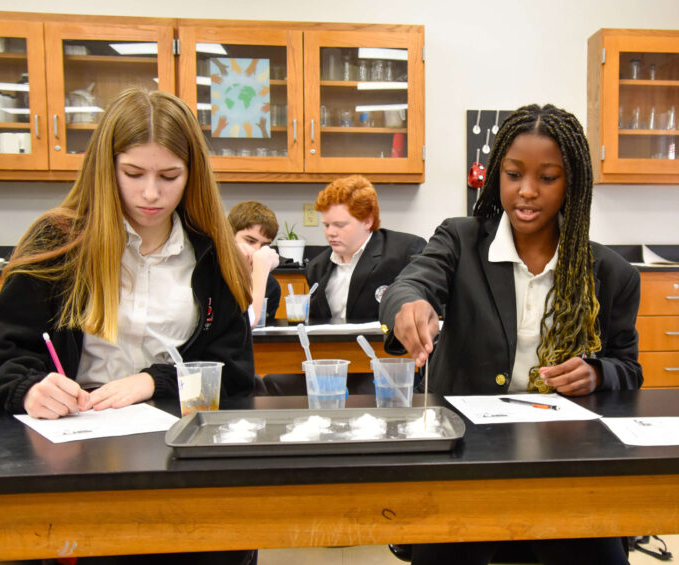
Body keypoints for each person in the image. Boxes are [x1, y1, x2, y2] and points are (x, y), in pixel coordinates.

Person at [380, 104, 641, 564]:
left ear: (572, 184)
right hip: (466, 459)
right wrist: (408, 305)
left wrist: (598, 374)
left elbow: (628, 368)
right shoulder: (460, 241)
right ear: (495, 175)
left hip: (566, 462)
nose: (526, 192)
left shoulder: (609, 273)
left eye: (547, 178)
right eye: (514, 174)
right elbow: (412, 283)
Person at [0, 88, 256, 422]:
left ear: (192, 174)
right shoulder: (57, 243)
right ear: (107, 168)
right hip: (75, 435)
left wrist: (154, 380)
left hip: (176, 434)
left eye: (169, 176)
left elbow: (235, 377)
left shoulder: (212, 254)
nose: (151, 193)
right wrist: (29, 388)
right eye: (133, 174)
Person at [305, 174, 426, 323]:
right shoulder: (317, 267)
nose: (330, 232)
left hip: (383, 344)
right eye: (326, 225)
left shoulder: (404, 252)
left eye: (340, 225)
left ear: (367, 221)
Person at [228, 200, 281, 327]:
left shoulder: (270, 286)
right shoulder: (212, 272)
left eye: (264, 245)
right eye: (250, 241)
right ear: (229, 236)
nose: (257, 251)